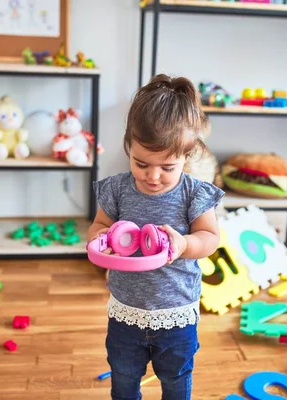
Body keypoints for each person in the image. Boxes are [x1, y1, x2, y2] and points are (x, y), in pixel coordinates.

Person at [87, 74, 225, 400]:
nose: (152, 176)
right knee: (123, 376)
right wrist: (103, 237)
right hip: (126, 310)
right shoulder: (117, 189)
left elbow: (210, 238)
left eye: (167, 167)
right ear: (128, 146)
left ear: (187, 157)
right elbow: (97, 227)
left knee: (176, 381)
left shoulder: (194, 194)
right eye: (141, 163)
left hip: (175, 314)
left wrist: (184, 244)